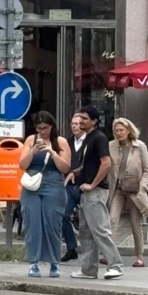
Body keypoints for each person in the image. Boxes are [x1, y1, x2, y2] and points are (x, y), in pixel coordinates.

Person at [69, 105, 124, 280]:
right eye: (80, 118)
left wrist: (93, 184)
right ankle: (88, 269)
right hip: (87, 191)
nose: (81, 121)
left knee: (100, 229)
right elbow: (90, 164)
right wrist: (76, 172)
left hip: (96, 191)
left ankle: (115, 265)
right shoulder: (88, 138)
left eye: (85, 118)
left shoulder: (99, 138)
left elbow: (106, 163)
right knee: (86, 231)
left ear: (94, 121)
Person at [18, 111, 71, 278]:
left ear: (52, 126)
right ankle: (33, 263)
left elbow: (65, 167)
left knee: (52, 223)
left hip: (54, 182)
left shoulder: (60, 141)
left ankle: (54, 262)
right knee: (32, 222)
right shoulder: (31, 140)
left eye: (46, 128)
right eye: (39, 128)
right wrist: (33, 151)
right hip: (32, 183)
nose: (42, 131)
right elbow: (22, 165)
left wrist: (52, 153)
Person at [108, 118, 148, 268]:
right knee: (112, 220)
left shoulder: (140, 146)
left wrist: (143, 187)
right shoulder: (111, 146)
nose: (119, 133)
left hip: (135, 189)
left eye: (121, 130)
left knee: (136, 224)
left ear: (128, 130)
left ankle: (140, 256)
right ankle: (111, 255)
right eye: (116, 130)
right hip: (118, 189)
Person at [61, 113, 85, 263]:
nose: (74, 126)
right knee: (63, 215)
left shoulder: (90, 141)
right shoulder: (67, 143)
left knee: (89, 220)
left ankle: (93, 250)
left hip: (84, 186)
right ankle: (71, 248)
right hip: (69, 186)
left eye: (77, 123)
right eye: (72, 124)